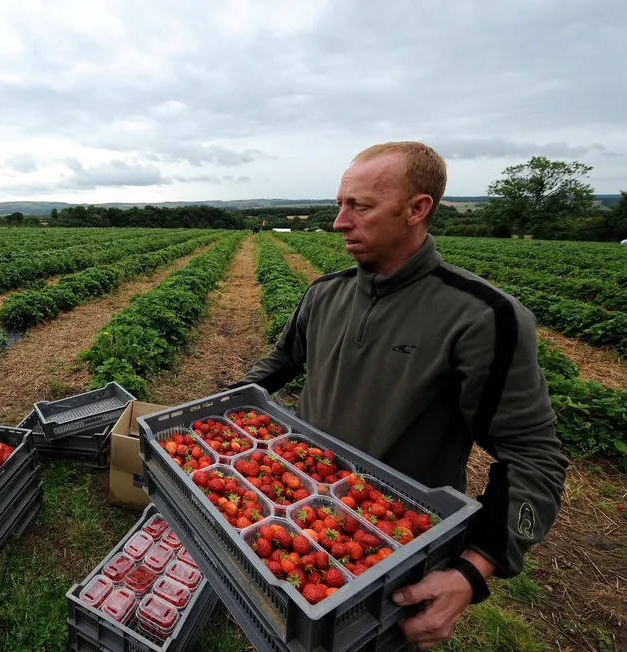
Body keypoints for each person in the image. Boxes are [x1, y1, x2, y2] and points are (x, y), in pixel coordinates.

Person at [231, 141, 568, 650]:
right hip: (294, 499)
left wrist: (474, 570)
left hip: (392, 544)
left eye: (359, 206)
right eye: (341, 203)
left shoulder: (481, 316)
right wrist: (223, 403)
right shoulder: (326, 293)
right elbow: (281, 362)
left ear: (417, 209)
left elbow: (534, 455)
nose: (340, 221)